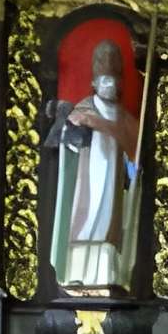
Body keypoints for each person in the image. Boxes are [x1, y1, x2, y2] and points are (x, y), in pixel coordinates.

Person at [50, 37, 135, 291]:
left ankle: (107, 275)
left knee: (108, 224)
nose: (108, 85)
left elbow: (134, 153)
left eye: (112, 80)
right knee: (83, 221)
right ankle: (75, 275)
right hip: (85, 180)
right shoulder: (82, 112)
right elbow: (66, 146)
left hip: (113, 184)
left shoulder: (126, 120)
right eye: (104, 80)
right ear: (94, 83)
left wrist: (131, 163)